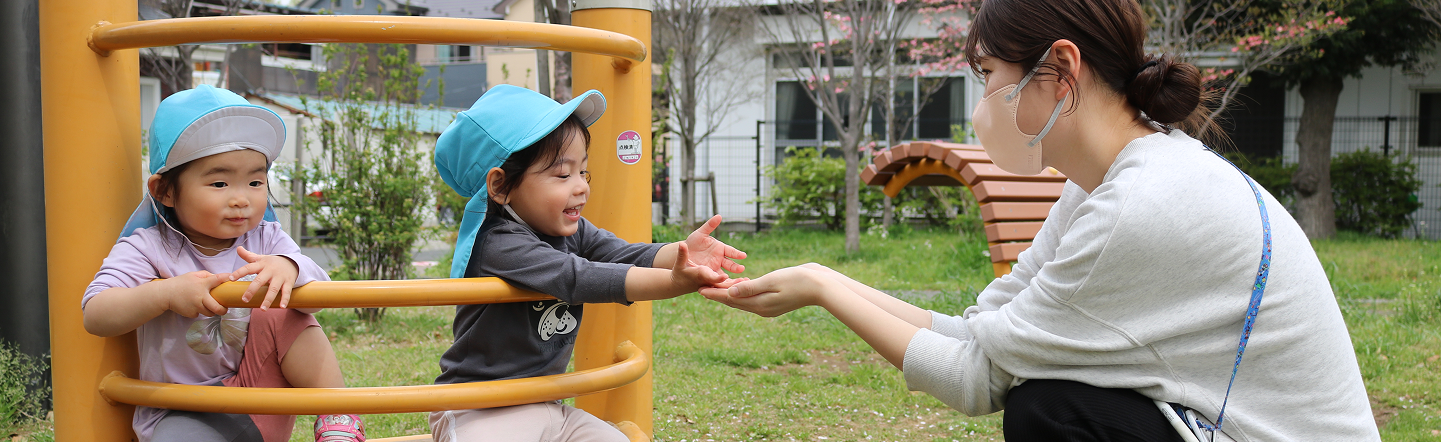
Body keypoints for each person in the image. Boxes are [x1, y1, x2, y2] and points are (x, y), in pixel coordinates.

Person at [701, 0, 1381, 441]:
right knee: (1053, 397)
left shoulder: (1139, 205)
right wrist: (828, 277)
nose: (985, 99)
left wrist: (825, 294)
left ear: (1059, 68)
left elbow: (980, 379)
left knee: (1050, 410)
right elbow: (983, 333)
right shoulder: (1109, 183)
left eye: (992, 73)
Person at [430, 84, 746, 442]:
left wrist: (682, 252)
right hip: (480, 407)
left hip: (545, 403)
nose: (581, 187)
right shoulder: (498, 243)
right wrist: (673, 283)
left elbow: (623, 253)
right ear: (501, 187)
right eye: (563, 175)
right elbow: (577, 277)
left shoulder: (568, 230)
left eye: (584, 171)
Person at [83, 85, 365, 442]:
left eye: (255, 181)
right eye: (219, 182)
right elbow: (96, 313)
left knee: (282, 307)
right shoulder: (149, 248)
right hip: (182, 407)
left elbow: (319, 292)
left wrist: (289, 267)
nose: (241, 199)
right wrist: (164, 294)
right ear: (164, 191)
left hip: (259, 395)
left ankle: (338, 417)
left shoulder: (265, 239)